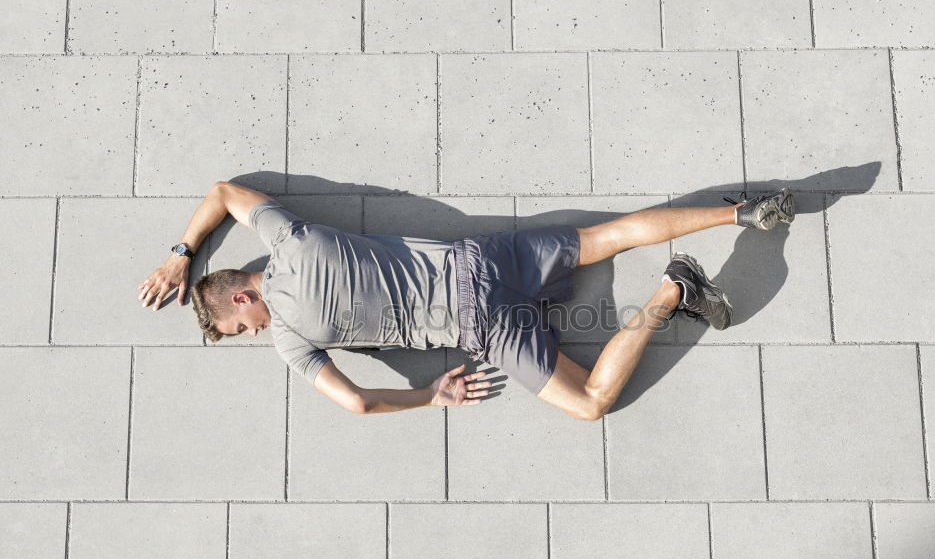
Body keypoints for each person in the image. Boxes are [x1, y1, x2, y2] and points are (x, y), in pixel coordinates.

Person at [139, 181, 794, 419]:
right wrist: (181, 252)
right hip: (477, 258)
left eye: (240, 325)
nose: (253, 334)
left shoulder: (290, 342)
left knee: (591, 403)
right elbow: (225, 192)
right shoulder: (291, 237)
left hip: (480, 323)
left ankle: (675, 287)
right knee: (606, 236)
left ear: (245, 295)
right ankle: (739, 213)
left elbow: (361, 403)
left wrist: (432, 396)